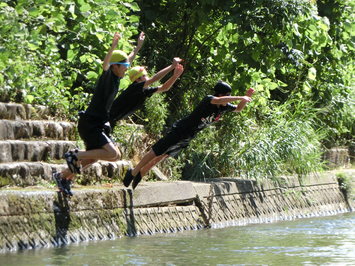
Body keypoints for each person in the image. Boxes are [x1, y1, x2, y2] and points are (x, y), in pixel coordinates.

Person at [53, 31, 145, 196]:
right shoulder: (108, 76)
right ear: (115, 66)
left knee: (93, 158)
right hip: (91, 123)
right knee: (113, 154)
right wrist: (113, 46)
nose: (126, 69)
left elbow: (128, 59)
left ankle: (62, 177)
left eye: (127, 67)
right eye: (124, 67)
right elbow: (106, 64)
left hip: (97, 124)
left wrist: (137, 47)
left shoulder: (117, 78)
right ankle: (75, 154)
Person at [123, 81, 255, 189]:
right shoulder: (209, 100)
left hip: (189, 135)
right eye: (227, 95)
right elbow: (219, 99)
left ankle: (141, 173)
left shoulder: (224, 107)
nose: (228, 99)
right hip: (181, 129)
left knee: (163, 156)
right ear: (220, 94)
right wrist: (239, 97)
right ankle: (133, 172)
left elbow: (238, 109)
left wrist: (246, 97)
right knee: (156, 151)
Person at [109, 58, 184, 132]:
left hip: (111, 121)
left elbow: (164, 88)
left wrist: (175, 76)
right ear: (137, 79)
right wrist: (172, 66)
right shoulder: (134, 87)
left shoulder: (145, 91)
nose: (147, 78)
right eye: (144, 76)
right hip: (106, 118)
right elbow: (154, 79)